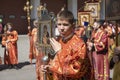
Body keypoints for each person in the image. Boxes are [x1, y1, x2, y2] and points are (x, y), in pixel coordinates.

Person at [41, 9, 92, 80]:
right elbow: (54, 63)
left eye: (65, 25)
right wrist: (48, 68)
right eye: (59, 24)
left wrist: (60, 51)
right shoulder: (58, 40)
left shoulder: (79, 44)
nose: (61, 28)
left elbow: (75, 69)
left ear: (73, 26)